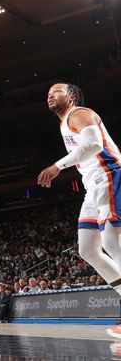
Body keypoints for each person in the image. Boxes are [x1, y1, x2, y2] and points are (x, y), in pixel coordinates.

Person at [38, 82, 121, 338]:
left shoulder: (80, 113)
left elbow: (95, 146)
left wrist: (57, 166)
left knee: (113, 244)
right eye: (49, 93)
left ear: (71, 96)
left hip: (109, 175)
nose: (51, 95)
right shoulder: (64, 123)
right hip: (91, 186)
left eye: (57, 91)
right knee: (87, 249)